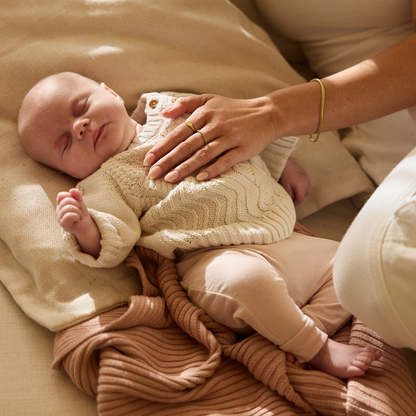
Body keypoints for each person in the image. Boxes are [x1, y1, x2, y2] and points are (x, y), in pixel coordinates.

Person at [18, 72, 382, 379]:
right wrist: (85, 228)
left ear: (109, 92)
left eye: (81, 108)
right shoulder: (103, 183)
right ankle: (317, 349)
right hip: (211, 258)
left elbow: (242, 130)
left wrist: (283, 163)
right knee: (247, 282)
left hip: (280, 237)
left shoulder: (174, 108)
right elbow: (115, 236)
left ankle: (305, 325)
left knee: (357, 258)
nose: (80, 126)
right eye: (65, 142)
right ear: (68, 172)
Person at [139, 1, 416, 350]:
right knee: (366, 278)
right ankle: (305, 336)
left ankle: (307, 340)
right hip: (383, 171)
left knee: (377, 271)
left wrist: (274, 114)